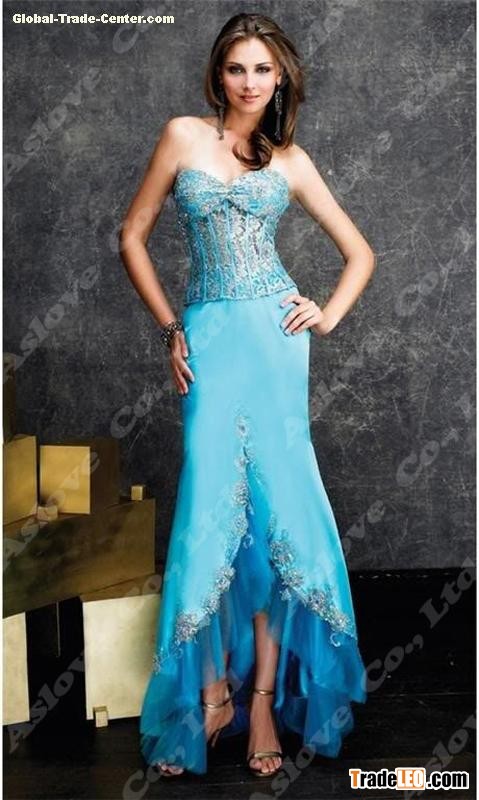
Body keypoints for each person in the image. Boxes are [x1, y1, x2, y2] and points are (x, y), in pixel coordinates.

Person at [120, 11, 375, 780]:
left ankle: (259, 700)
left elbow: (359, 253)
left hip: (274, 342)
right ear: (217, 75)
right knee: (210, 510)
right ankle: (210, 695)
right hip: (209, 337)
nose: (250, 82)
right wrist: (171, 329)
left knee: (274, 517)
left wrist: (324, 313)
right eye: (237, 68)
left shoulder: (289, 159)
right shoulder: (181, 136)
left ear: (280, 78)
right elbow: (132, 235)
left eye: (263, 69)